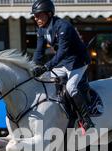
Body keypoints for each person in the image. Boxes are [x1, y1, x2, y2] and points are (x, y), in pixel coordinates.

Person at [30, 0, 94, 131]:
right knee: (45, 80)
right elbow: (39, 51)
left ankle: (86, 119)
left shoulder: (63, 26)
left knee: (71, 87)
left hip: (78, 62)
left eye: (39, 15)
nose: (36, 18)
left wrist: (46, 66)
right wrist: (33, 67)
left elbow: (62, 52)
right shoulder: (41, 30)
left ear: (49, 14)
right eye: (35, 16)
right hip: (63, 63)